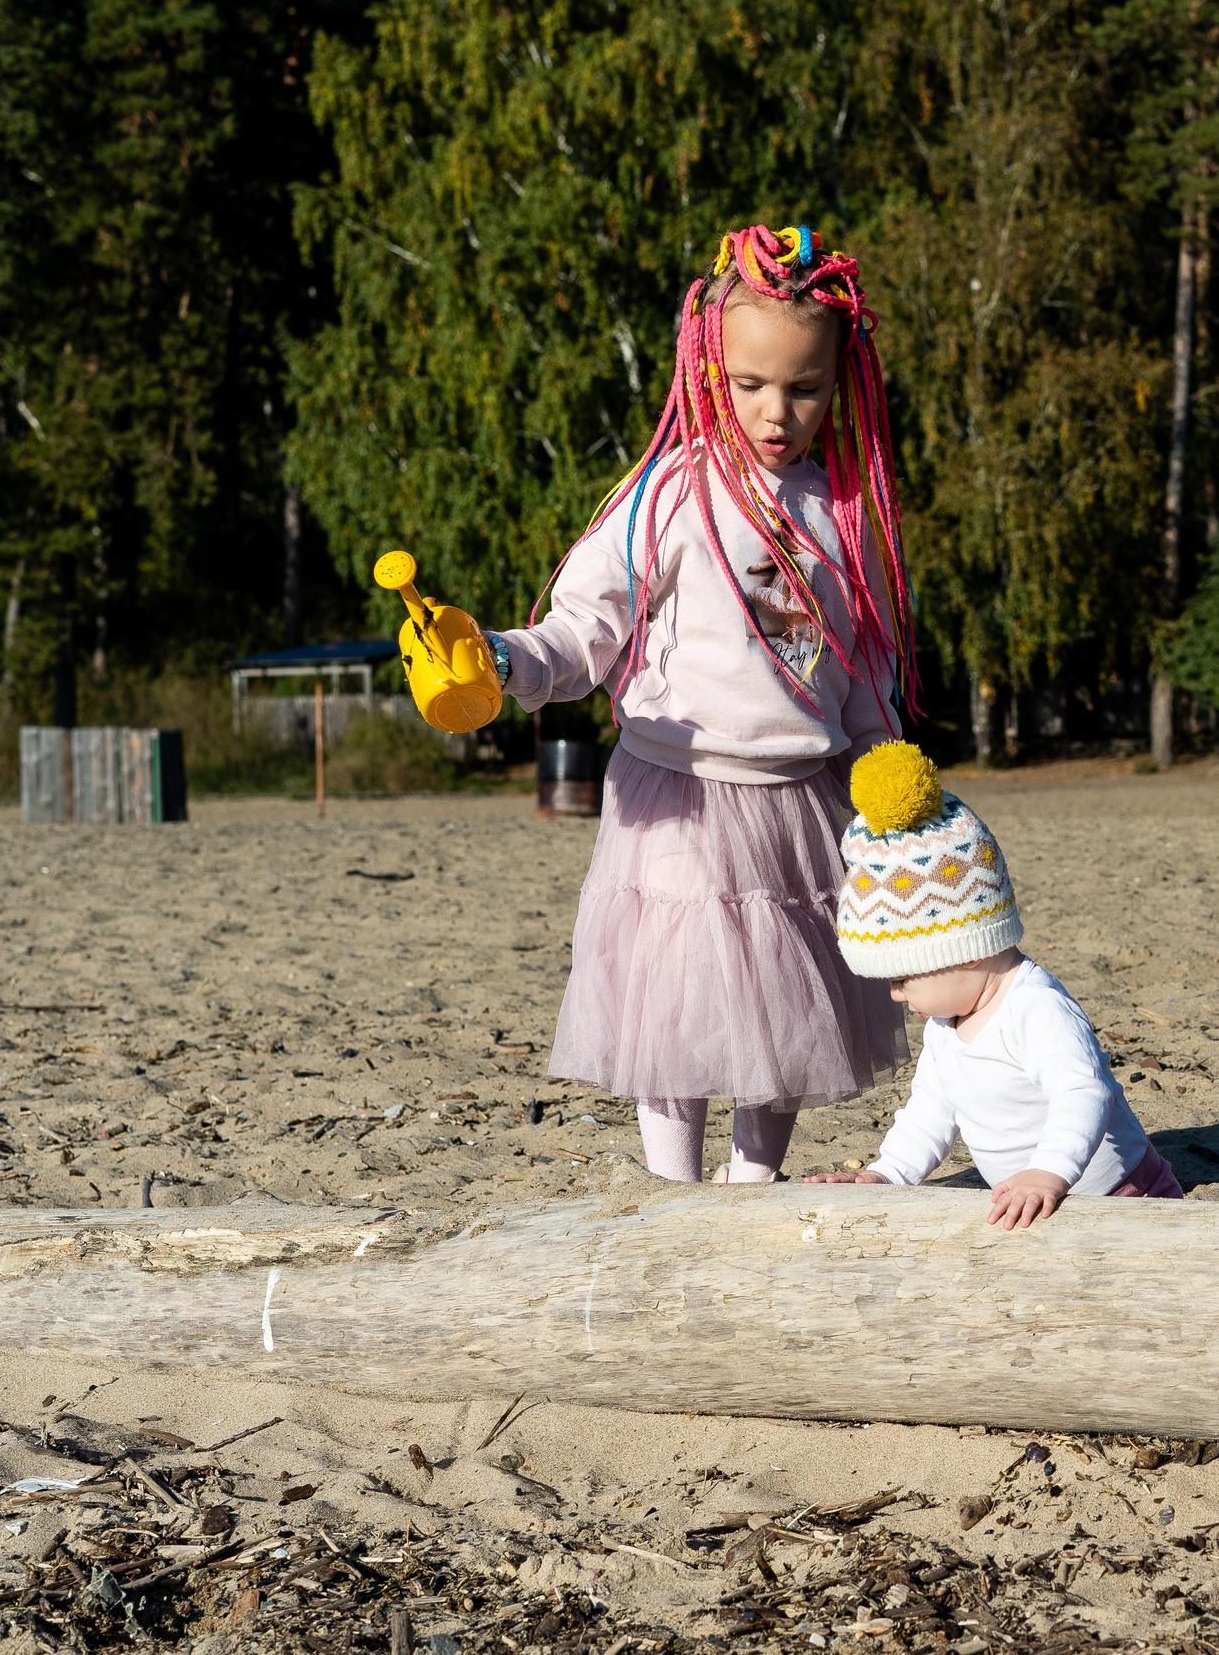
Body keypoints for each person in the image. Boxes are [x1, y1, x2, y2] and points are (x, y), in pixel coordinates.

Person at [480, 225, 915, 1185]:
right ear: (710, 370)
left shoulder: (849, 512)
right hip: (676, 789)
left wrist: (885, 766)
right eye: (751, 385)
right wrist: (503, 661)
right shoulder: (670, 494)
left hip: (801, 795)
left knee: (789, 1006)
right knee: (672, 1006)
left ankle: (754, 1181)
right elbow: (582, 629)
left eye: (803, 388)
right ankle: (675, 1190)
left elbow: (867, 666)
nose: (776, 412)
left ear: (840, 380)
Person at [803, 743, 1182, 1227]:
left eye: (902, 977)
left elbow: (1083, 1093)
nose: (895, 994)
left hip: (1123, 1197)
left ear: (967, 950)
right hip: (1033, 1203)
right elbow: (931, 1113)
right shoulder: (946, 1022)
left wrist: (1049, 1172)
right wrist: (888, 1172)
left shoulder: (1035, 1006)